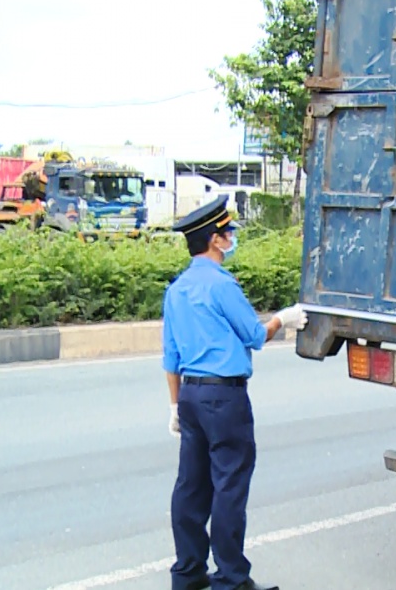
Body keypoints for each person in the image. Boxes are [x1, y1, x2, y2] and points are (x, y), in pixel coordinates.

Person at [163, 197, 307, 590]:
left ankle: (188, 575)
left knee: (191, 487)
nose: (231, 238)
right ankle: (230, 579)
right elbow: (255, 335)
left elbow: (171, 357)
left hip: (190, 396)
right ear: (214, 240)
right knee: (229, 487)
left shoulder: (176, 290)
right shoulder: (222, 286)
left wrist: (175, 405)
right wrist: (285, 318)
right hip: (224, 398)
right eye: (227, 233)